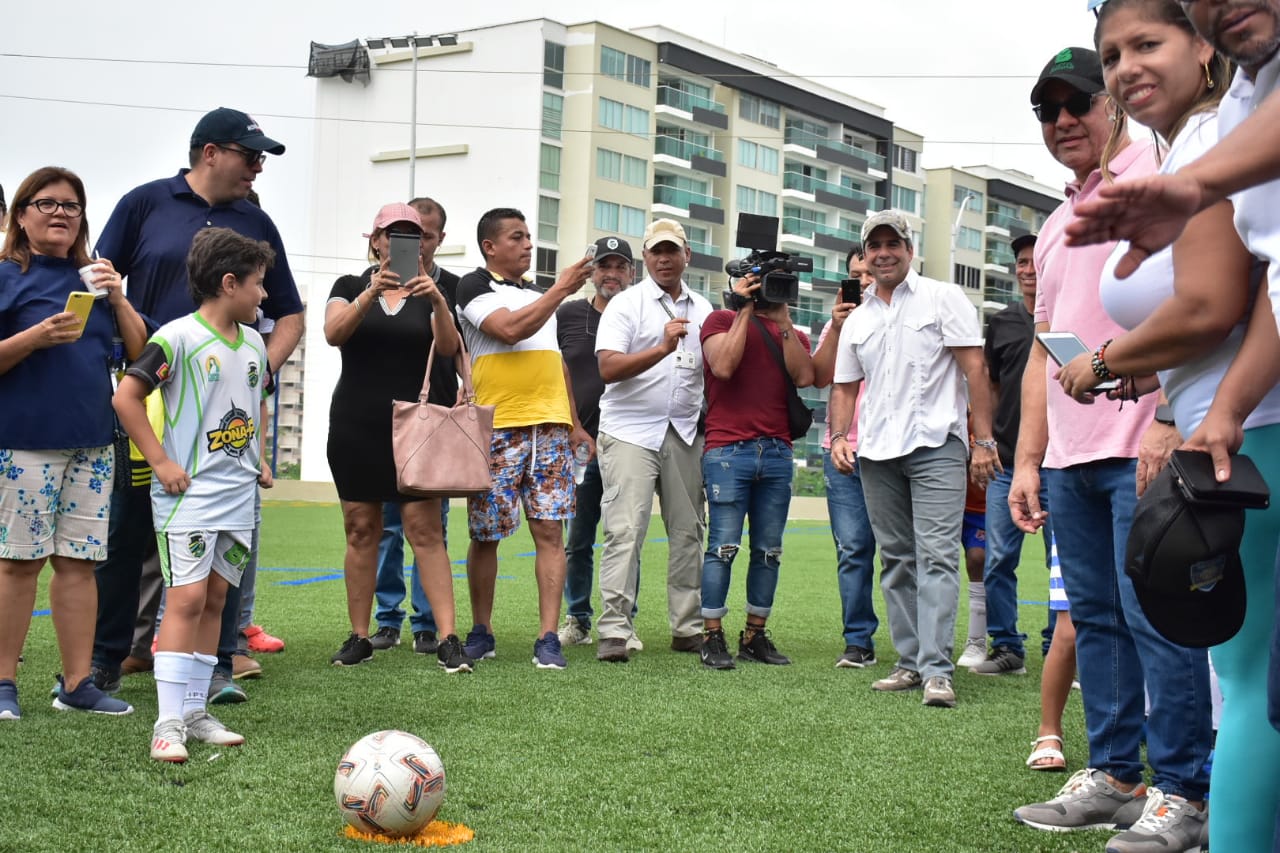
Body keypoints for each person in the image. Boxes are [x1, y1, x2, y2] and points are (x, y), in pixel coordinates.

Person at [1056, 4, 1280, 848]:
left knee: (1252, 686)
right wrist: (1166, 386)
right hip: (1232, 423)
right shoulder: (1211, 137)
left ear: (1199, 47)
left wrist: (1107, 363)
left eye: (1147, 43)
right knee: (1246, 681)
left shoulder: (1216, 138)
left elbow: (1215, 303)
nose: (1123, 67)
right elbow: (1256, 301)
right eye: (1112, 53)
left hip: (1252, 435)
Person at [1008, 45, 1214, 850]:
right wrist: (1029, 458)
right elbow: (1042, 351)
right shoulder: (1057, 223)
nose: (1063, 122)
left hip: (1145, 445)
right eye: (1046, 111)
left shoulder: (1163, 177)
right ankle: (1119, 775)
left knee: (1157, 618)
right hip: (1070, 460)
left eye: (1077, 103)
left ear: (1113, 104)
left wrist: (1166, 413)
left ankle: (1186, 790)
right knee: (1094, 618)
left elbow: (1203, 304)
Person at [92, 107, 304, 705]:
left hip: (220, 407)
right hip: (151, 384)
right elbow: (102, 284)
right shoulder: (144, 203)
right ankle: (108, 659)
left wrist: (258, 373)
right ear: (210, 152)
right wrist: (137, 350)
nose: (258, 167)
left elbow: (288, 312)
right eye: (250, 154)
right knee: (128, 530)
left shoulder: (256, 221)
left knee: (225, 545)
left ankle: (215, 669)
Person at [114, 226, 276, 762]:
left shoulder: (254, 342)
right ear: (229, 283)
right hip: (190, 498)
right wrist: (161, 461)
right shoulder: (176, 338)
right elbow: (127, 398)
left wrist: (262, 455)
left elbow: (256, 400)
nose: (264, 295)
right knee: (184, 599)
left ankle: (195, 711)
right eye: (258, 284)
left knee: (216, 601)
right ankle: (166, 725)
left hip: (236, 497)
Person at [829, 210, 996, 709]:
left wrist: (983, 441)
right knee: (897, 560)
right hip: (876, 452)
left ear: (909, 247)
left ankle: (937, 672)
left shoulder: (943, 297)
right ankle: (908, 663)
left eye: (892, 243)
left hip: (937, 446)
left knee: (940, 555)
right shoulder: (857, 319)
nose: (883, 253)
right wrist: (838, 435)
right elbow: (843, 386)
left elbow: (975, 370)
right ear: (865, 254)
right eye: (874, 245)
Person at [0, 166, 146, 721]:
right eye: (48, 203)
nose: (61, 213)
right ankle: (3, 684)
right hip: (23, 444)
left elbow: (142, 354)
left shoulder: (95, 280)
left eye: (72, 205)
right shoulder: (6, 276)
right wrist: (35, 337)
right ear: (21, 214)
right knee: (17, 564)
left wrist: (120, 296)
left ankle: (77, 684)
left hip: (92, 445)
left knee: (79, 566)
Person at [323, 202, 470, 673]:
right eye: (392, 233)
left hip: (418, 428)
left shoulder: (437, 288)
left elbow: (448, 349)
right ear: (375, 240)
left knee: (425, 531)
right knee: (361, 530)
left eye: (411, 234)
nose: (401, 241)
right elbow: (333, 333)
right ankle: (360, 635)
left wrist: (438, 300)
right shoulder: (349, 286)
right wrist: (370, 294)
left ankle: (448, 637)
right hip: (356, 425)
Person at [455, 208, 592, 669]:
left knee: (551, 530)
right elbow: (509, 330)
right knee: (486, 533)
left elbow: (557, 362)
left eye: (530, 236)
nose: (528, 244)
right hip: (497, 425)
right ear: (490, 247)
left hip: (550, 428)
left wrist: (574, 422)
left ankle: (548, 636)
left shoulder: (541, 297)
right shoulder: (473, 286)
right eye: (517, 237)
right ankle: (481, 630)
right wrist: (560, 290)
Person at [593, 222, 713, 663]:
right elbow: (607, 368)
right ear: (645, 258)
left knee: (687, 533)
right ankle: (613, 631)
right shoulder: (626, 304)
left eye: (672, 251)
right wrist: (662, 349)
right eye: (656, 252)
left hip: (683, 430)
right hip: (629, 431)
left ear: (688, 256)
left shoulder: (703, 307)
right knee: (625, 531)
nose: (664, 259)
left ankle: (687, 628)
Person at [697, 249, 814, 670]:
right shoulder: (719, 321)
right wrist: (744, 309)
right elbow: (723, 366)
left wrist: (783, 321)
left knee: (769, 550)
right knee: (722, 547)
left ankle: (755, 635)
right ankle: (712, 636)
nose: (772, 290)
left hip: (778, 451)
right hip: (728, 450)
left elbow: (805, 376)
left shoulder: (792, 333)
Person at [369, 197, 458, 656]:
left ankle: (428, 625)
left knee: (430, 529)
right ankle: (387, 621)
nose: (415, 242)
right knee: (385, 528)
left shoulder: (455, 288)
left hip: (433, 422)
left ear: (439, 239)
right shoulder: (369, 286)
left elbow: (460, 352)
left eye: (424, 234)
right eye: (406, 234)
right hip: (379, 421)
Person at [972, 232, 1051, 677]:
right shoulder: (1000, 323)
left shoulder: (1066, 316)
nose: (1028, 269)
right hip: (1006, 462)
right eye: (1021, 262)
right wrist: (988, 442)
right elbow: (993, 388)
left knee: (1065, 565)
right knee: (999, 558)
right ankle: (1007, 648)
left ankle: (1062, 647)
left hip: (1063, 461)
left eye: (1035, 261)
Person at [554, 235, 636, 649]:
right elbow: (553, 372)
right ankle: (579, 619)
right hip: (580, 443)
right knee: (579, 538)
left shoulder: (641, 314)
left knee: (626, 535)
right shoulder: (568, 315)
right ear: (591, 272)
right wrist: (570, 426)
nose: (612, 274)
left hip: (630, 442)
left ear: (632, 273)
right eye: (605, 265)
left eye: (620, 266)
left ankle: (624, 620)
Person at [810, 244, 879, 669]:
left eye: (870, 273)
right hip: (843, 450)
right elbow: (819, 377)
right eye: (856, 275)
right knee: (853, 548)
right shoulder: (838, 325)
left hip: (894, 450)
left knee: (904, 551)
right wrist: (836, 329)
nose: (864, 281)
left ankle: (917, 644)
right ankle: (858, 642)